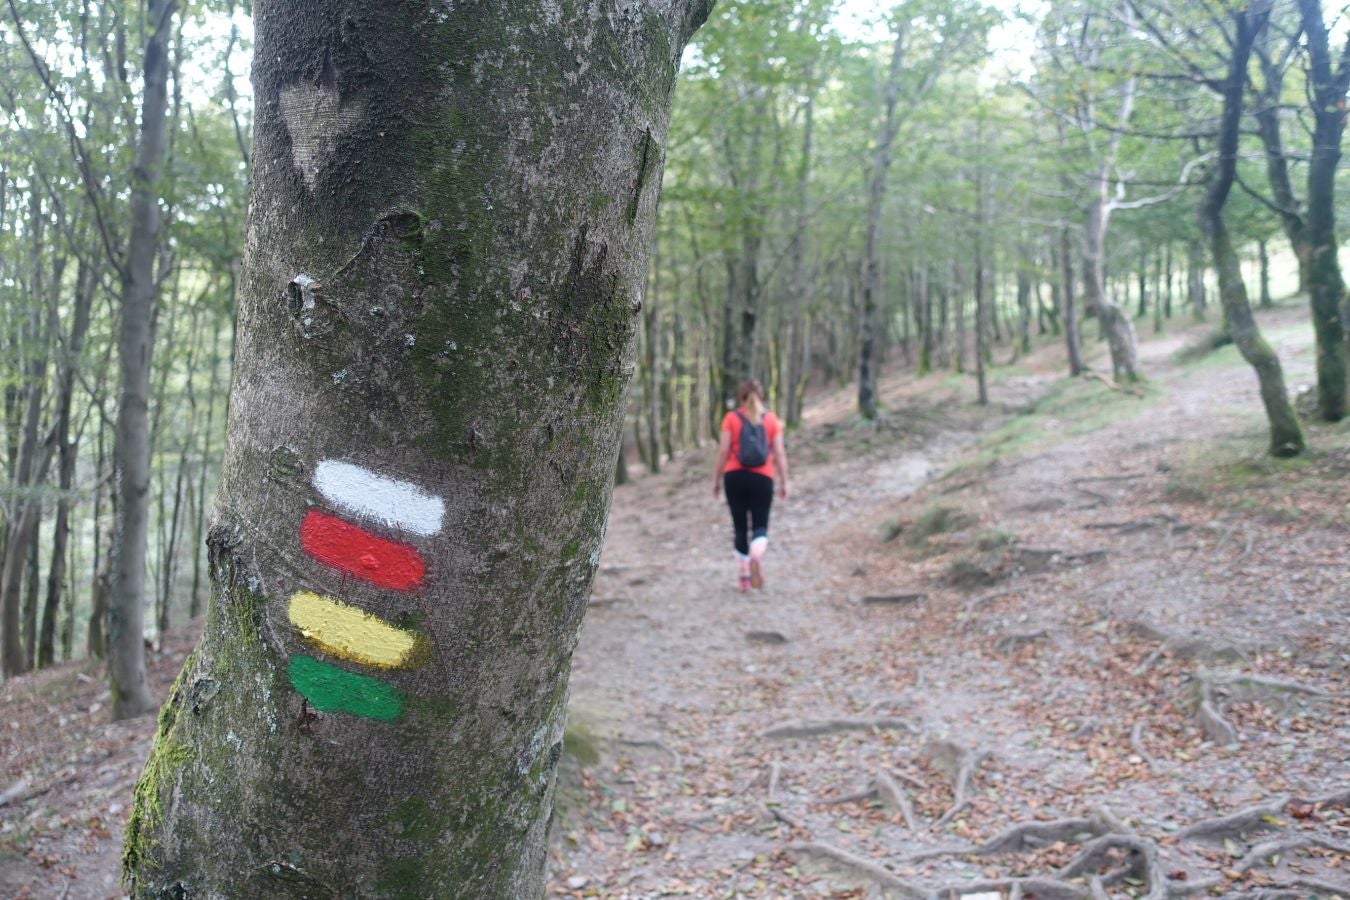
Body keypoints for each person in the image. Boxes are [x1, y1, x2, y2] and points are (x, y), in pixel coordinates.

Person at [711, 379, 789, 592]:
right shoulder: (772, 420)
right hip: (763, 478)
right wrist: (784, 481)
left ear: (740, 397)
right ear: (762, 396)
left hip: (734, 477)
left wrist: (716, 480)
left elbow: (723, 451)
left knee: (739, 526)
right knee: (760, 525)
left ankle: (744, 576)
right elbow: (780, 453)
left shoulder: (731, 419)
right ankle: (756, 555)